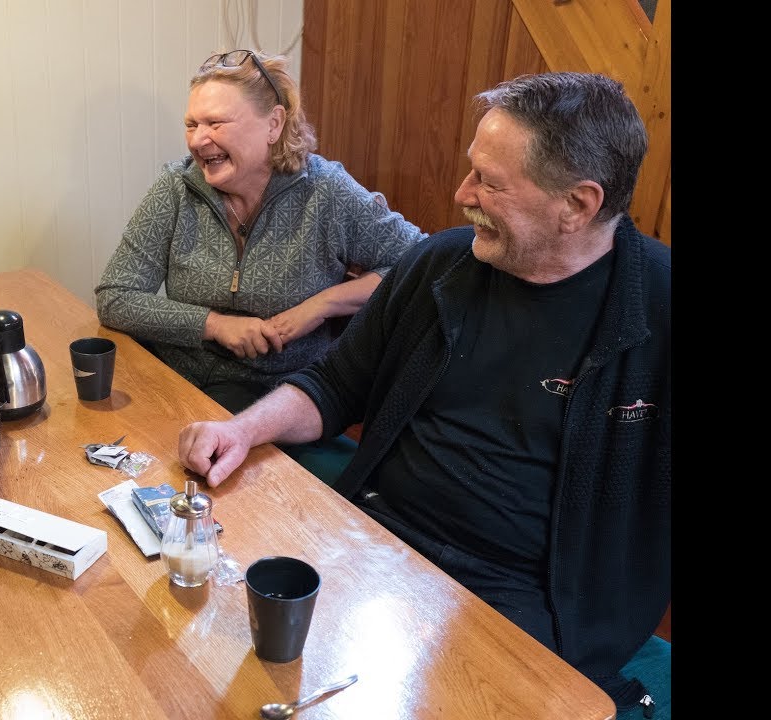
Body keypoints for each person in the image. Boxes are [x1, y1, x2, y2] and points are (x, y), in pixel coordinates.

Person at [178, 72, 669, 717]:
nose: (461, 194)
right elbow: (332, 386)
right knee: (213, 660)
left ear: (577, 204)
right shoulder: (441, 264)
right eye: (471, 171)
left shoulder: (655, 308)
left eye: (489, 183)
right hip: (377, 538)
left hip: (530, 597)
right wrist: (243, 429)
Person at [95, 49, 426, 420]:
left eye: (216, 123)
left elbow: (420, 263)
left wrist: (322, 306)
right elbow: (116, 296)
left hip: (271, 391)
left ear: (274, 124)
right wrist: (215, 325)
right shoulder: (176, 187)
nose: (198, 141)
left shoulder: (326, 191)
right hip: (174, 372)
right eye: (191, 124)